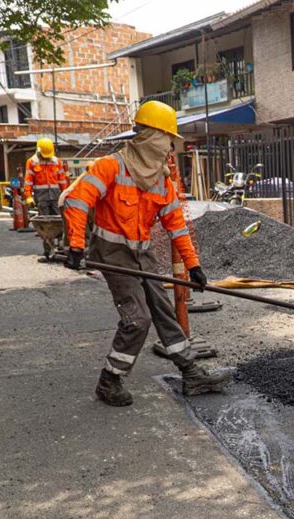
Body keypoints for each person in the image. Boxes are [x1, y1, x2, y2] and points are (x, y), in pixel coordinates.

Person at [61, 101, 230, 407]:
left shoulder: (160, 179)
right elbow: (77, 200)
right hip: (113, 253)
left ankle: (191, 373)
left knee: (163, 310)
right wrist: (75, 244)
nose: (170, 147)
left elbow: (176, 226)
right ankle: (109, 380)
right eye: (167, 138)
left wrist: (194, 266)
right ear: (150, 135)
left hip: (143, 253)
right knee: (138, 319)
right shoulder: (111, 166)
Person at [23, 138, 68, 216]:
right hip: (41, 198)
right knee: (45, 220)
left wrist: (65, 194)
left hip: (56, 196)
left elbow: (62, 180)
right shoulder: (32, 162)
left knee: (58, 219)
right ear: (39, 150)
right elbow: (28, 181)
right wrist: (28, 196)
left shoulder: (57, 162)